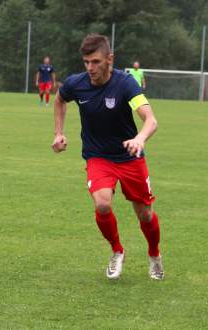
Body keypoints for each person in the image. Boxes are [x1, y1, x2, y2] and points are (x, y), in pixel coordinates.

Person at [52, 34, 164, 280]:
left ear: (109, 59)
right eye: (86, 62)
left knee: (145, 213)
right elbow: (60, 99)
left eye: (96, 61)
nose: (90, 68)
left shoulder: (125, 84)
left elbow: (151, 120)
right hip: (98, 157)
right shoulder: (76, 84)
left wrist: (140, 139)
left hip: (130, 156)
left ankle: (154, 255)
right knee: (102, 203)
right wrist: (59, 133)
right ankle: (117, 251)